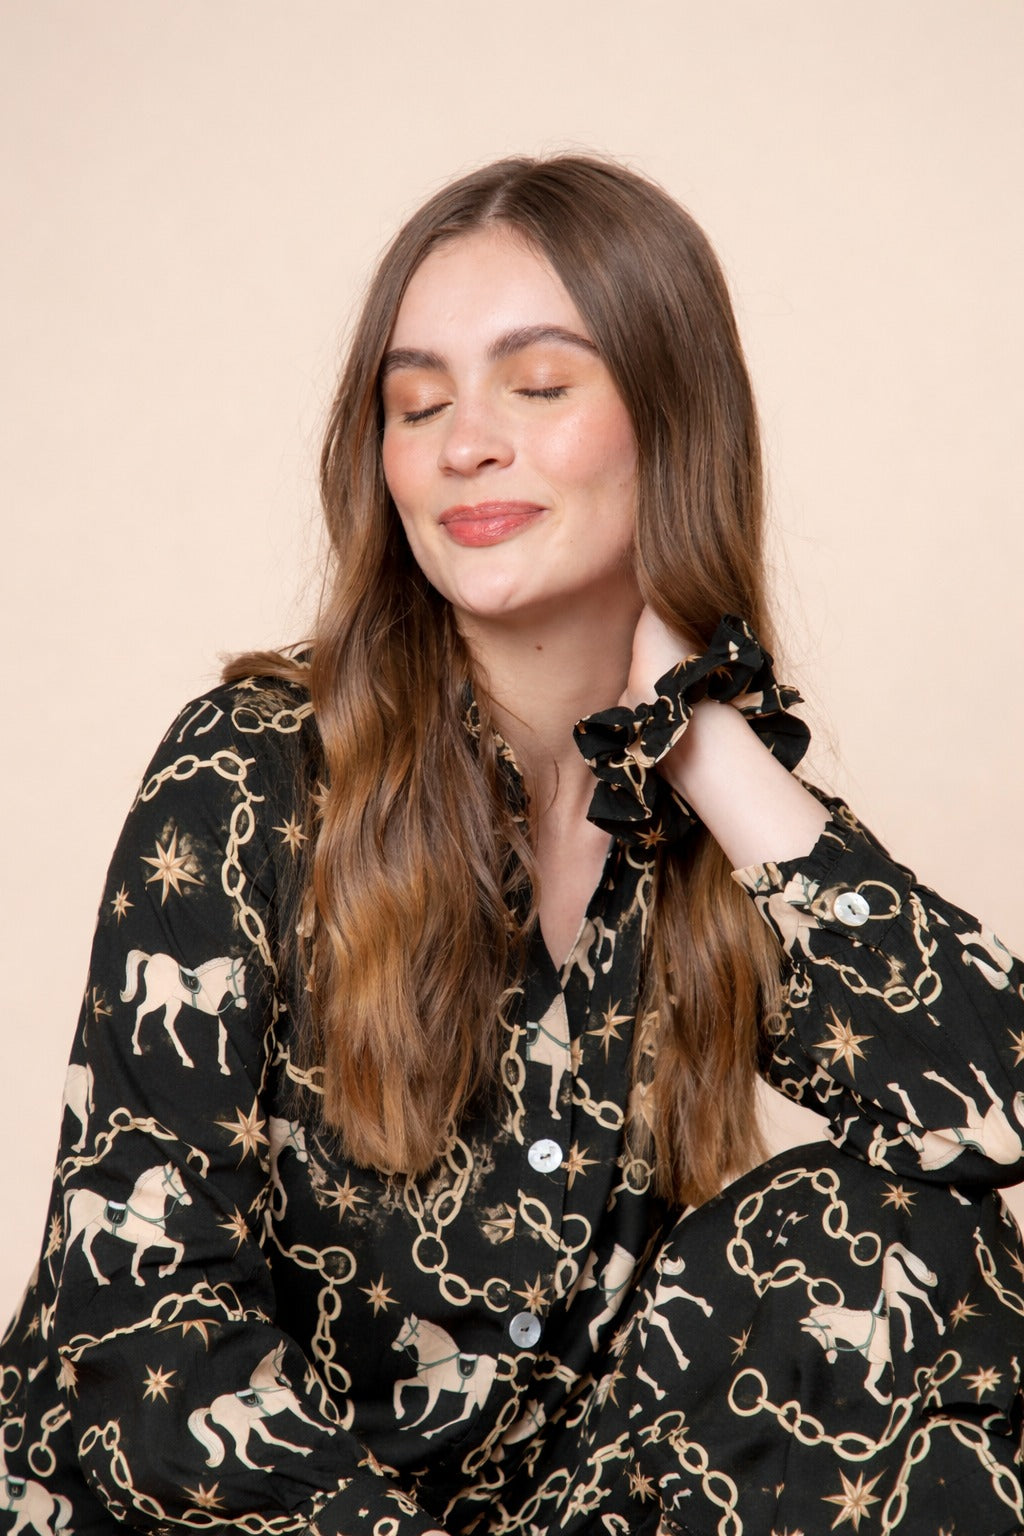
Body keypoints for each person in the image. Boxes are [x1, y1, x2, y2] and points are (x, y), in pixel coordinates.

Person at [1, 154, 1023, 1536]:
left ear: (673, 427)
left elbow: (991, 1106)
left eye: (538, 387)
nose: (463, 444)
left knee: (906, 1235)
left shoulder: (706, 837)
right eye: (418, 404)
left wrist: (711, 749)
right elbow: (134, 1340)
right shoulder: (248, 770)